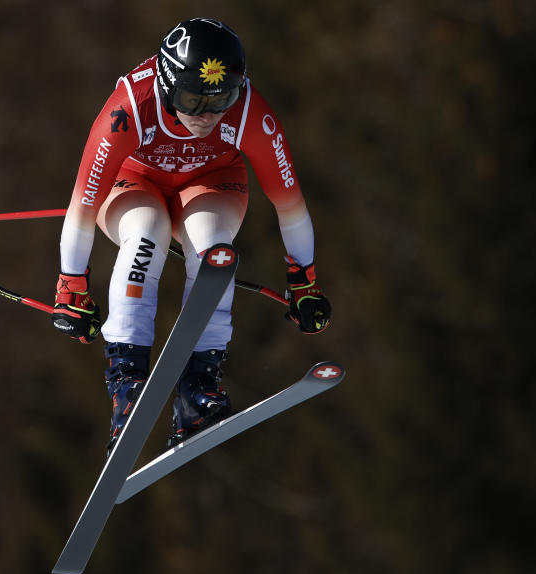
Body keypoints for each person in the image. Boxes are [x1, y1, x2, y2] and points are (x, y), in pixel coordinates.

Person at [51, 18, 331, 455]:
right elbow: (82, 208)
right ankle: (128, 385)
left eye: (223, 99)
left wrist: (304, 280)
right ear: (165, 87)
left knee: (211, 245)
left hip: (213, 181)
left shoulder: (250, 112)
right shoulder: (129, 107)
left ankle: (197, 389)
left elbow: (290, 205)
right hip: (134, 182)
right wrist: (72, 286)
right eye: (191, 100)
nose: (207, 115)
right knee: (146, 234)